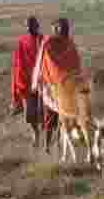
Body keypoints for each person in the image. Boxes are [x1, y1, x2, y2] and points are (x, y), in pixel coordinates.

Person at [31, 17, 82, 154]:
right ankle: (47, 146)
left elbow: (76, 64)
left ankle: (61, 146)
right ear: (55, 29)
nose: (63, 29)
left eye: (64, 27)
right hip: (51, 85)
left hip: (69, 86)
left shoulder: (70, 43)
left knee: (67, 117)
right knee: (50, 117)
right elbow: (41, 61)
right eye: (59, 27)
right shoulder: (48, 43)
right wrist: (36, 81)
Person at [11, 16, 45, 146]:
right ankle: (35, 133)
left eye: (31, 25)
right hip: (27, 82)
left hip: (42, 82)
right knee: (29, 115)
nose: (28, 28)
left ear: (37, 26)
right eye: (27, 26)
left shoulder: (43, 40)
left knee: (43, 112)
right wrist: (18, 79)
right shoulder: (22, 41)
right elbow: (18, 62)